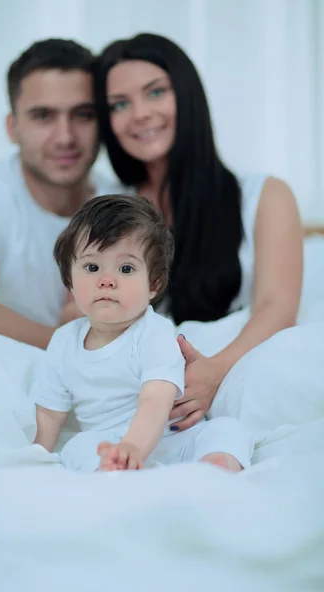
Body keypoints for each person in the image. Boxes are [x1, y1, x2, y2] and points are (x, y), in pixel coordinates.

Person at [94, 33, 304, 431]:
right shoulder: (107, 207)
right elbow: (81, 306)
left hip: (233, 364)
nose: (139, 113)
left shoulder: (264, 195)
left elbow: (277, 306)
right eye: (120, 104)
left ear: (188, 96)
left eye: (155, 92)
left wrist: (215, 371)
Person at [0, 38, 125, 350]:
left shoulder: (123, 204)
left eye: (83, 114)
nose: (65, 138)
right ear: (12, 127)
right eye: (43, 116)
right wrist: (78, 348)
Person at [31, 195, 254, 472]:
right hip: (109, 442)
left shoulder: (154, 332)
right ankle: (114, 471)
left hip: (173, 437)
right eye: (92, 267)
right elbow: (50, 414)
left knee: (228, 430)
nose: (107, 280)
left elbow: (155, 400)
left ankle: (213, 468)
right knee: (76, 447)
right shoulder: (64, 342)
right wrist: (36, 454)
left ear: (154, 284)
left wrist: (134, 448)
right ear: (70, 281)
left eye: (126, 268)